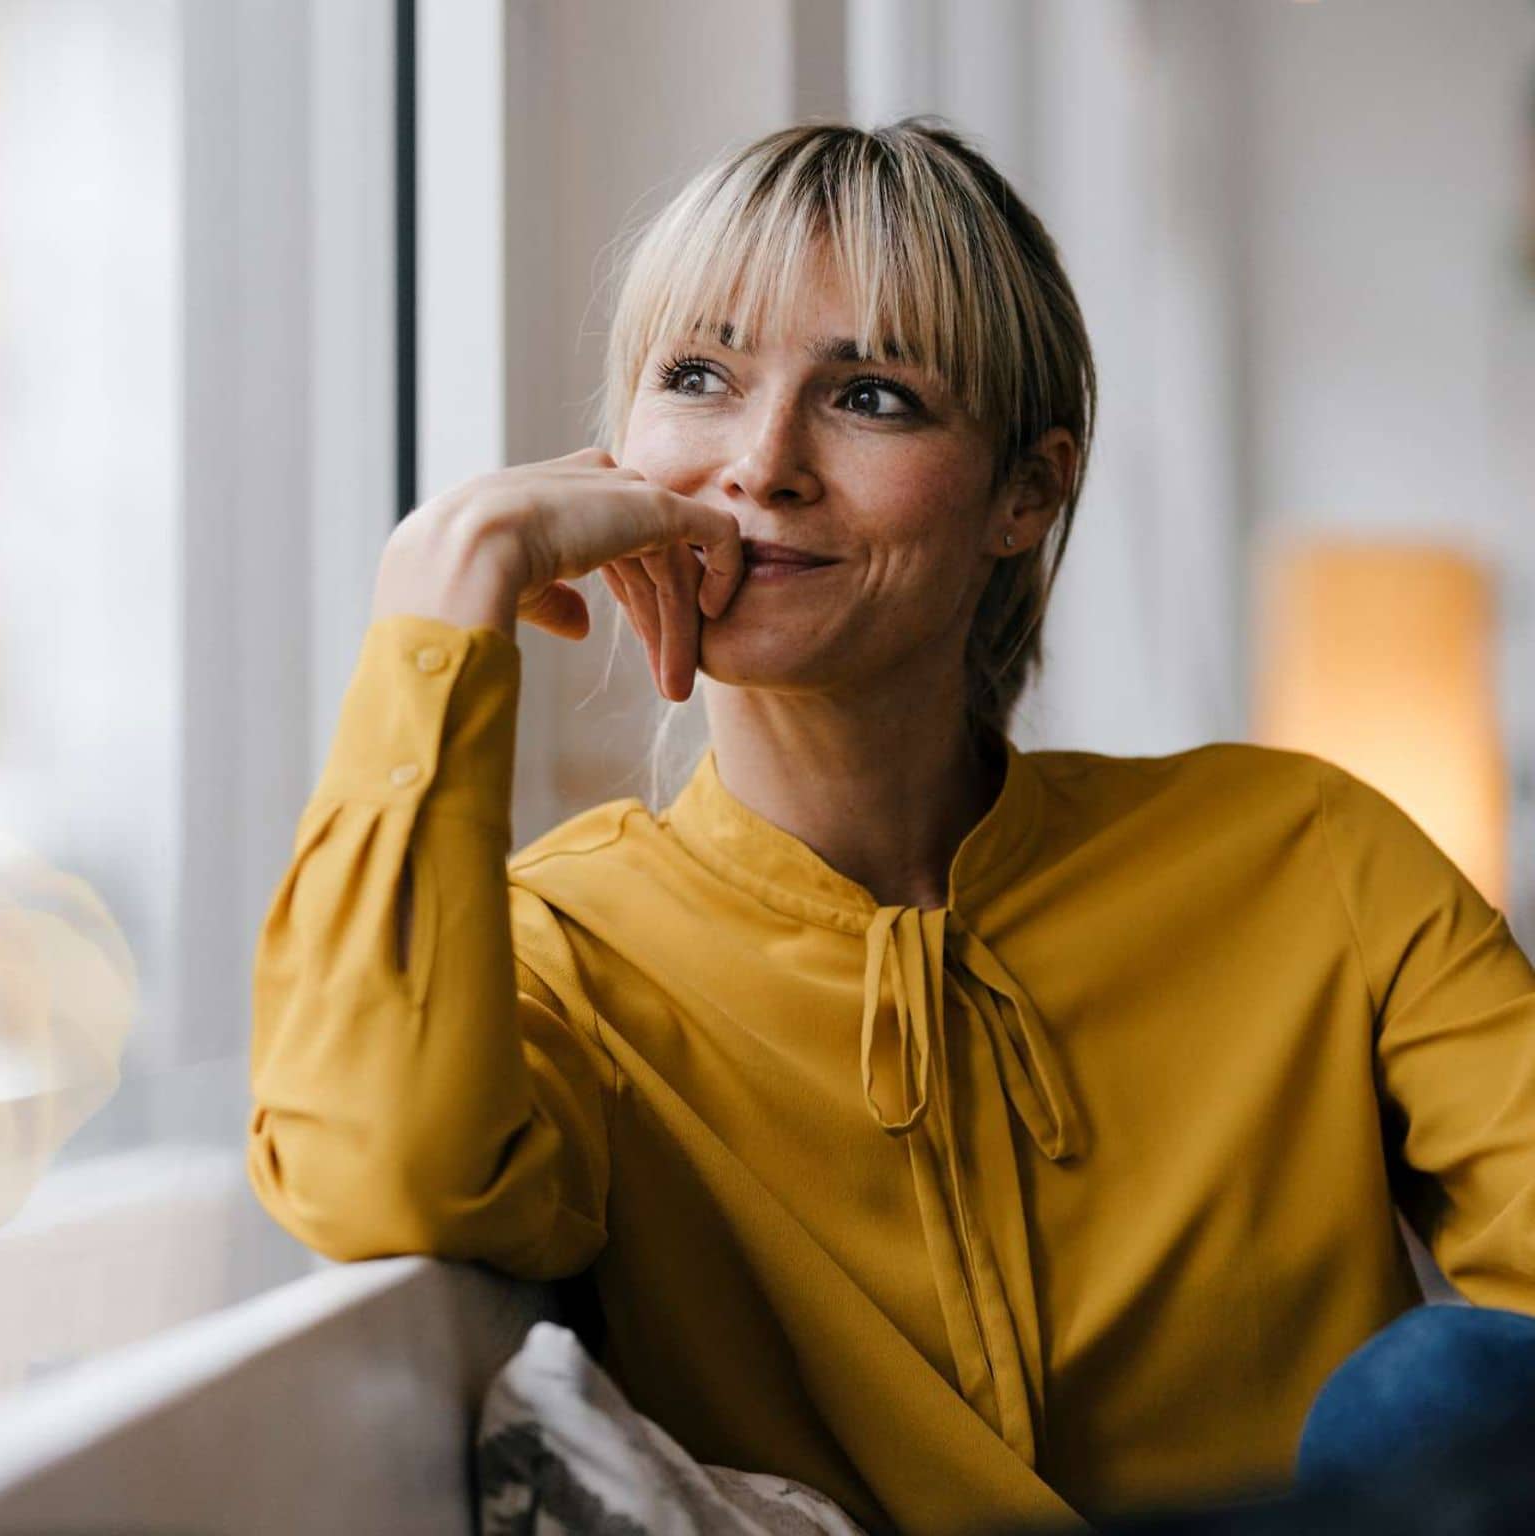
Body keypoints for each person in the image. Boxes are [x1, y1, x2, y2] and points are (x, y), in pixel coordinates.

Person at [243, 118, 1535, 1536]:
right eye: (698, 377)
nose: (764, 463)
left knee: (1444, 1391)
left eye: (871, 396)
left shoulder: (1310, 856)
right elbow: (374, 1174)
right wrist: (444, 599)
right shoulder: (562, 955)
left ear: (1025, 492)